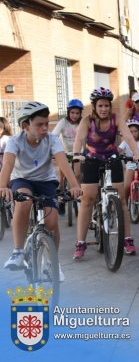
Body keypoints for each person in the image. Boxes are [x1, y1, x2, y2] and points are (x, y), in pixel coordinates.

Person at [1, 102, 82, 281]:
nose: (45, 128)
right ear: (25, 125)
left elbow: (62, 162)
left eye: (46, 123)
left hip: (46, 181)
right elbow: (7, 164)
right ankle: (18, 252)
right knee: (24, 202)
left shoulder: (51, 139)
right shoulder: (15, 141)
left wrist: (74, 185)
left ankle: (53, 263)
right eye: (39, 125)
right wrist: (3, 186)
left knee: (52, 221)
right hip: (22, 179)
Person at [72, 87, 139, 259]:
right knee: (87, 199)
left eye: (107, 106)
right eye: (100, 106)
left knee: (121, 199)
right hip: (91, 159)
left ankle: (127, 239)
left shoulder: (116, 119)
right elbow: (79, 139)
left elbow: (128, 136)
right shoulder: (87, 121)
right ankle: (80, 243)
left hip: (112, 158)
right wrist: (76, 154)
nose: (104, 109)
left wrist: (136, 153)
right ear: (94, 106)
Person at [53, 99, 83, 213]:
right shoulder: (63, 122)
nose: (74, 115)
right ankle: (61, 199)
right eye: (72, 112)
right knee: (61, 177)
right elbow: (54, 136)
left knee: (77, 175)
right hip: (64, 152)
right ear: (68, 112)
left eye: (77, 113)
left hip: (78, 152)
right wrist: (53, 152)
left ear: (80, 114)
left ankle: (77, 197)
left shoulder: (82, 123)